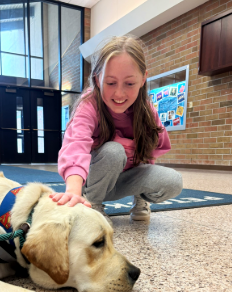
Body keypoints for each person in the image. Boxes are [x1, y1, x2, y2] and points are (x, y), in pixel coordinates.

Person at [50, 35, 183, 225]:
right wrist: (73, 189)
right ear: (97, 79)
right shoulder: (89, 104)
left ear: (143, 78)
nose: (119, 94)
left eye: (129, 83)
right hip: (94, 181)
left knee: (173, 181)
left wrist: (141, 195)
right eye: (110, 83)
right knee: (113, 150)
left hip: (124, 181)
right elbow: (75, 143)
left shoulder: (146, 110)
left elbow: (150, 150)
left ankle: (140, 200)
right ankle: (93, 205)